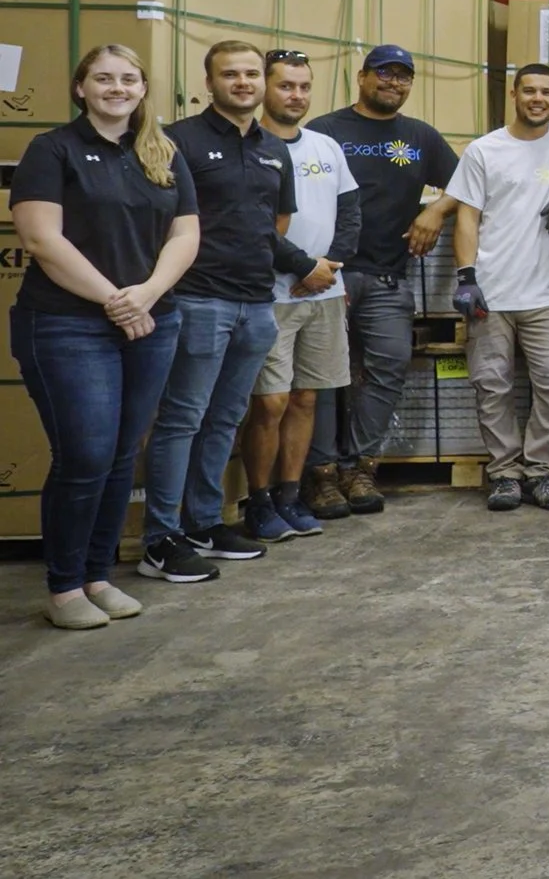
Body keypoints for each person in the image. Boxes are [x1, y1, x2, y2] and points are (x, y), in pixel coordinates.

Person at [8, 44, 201, 626]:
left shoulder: (162, 152)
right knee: (85, 455)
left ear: (143, 88)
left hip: (152, 320)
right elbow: (41, 239)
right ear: (80, 88)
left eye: (128, 79)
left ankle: (98, 576)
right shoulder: (52, 150)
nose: (117, 88)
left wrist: (147, 294)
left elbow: (186, 235)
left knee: (120, 455)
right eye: (104, 78)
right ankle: (65, 588)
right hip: (67, 324)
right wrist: (117, 301)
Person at [143, 41, 308, 577]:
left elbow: (274, 224)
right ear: (209, 82)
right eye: (230, 74)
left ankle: (204, 523)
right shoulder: (179, 141)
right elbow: (160, 222)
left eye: (251, 74)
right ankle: (160, 537)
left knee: (225, 418)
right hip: (197, 300)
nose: (243, 83)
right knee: (182, 419)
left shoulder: (273, 148)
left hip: (257, 303)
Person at [304, 44, 456, 519]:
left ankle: (360, 467)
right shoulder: (325, 131)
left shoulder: (420, 136)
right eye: (384, 73)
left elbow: (467, 182)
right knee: (324, 378)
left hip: (389, 277)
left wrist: (436, 210)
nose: (393, 83)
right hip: (328, 277)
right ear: (362, 76)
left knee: (389, 368)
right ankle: (322, 473)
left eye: (402, 76)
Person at [445, 65, 549, 512]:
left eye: (546, 92)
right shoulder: (484, 150)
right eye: (529, 91)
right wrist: (467, 277)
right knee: (492, 385)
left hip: (547, 294)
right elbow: (467, 217)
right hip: (491, 292)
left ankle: (543, 472)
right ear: (514, 95)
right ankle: (505, 473)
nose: (537, 99)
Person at [238, 52, 360, 542]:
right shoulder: (251, 148)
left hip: (325, 292)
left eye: (304, 87)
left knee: (307, 398)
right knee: (270, 402)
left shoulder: (326, 146)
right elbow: (253, 226)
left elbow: (350, 214)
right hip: (272, 294)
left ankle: (290, 496)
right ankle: (259, 501)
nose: (296, 95)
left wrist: (328, 267)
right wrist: (302, 268)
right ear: (265, 89)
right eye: (286, 86)